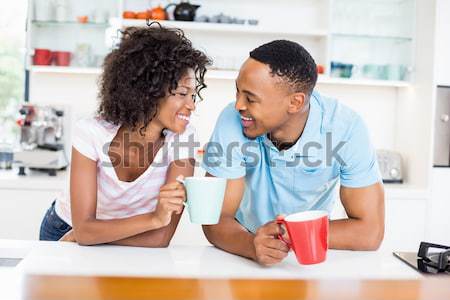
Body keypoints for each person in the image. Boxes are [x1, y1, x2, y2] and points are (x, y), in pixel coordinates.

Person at [201, 40, 385, 266]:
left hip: (313, 250)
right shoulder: (233, 119)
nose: (238, 104)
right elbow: (214, 218)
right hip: (242, 245)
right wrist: (251, 245)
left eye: (250, 98)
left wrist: (290, 232)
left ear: (295, 102)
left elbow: (370, 232)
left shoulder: (345, 129)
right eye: (237, 92)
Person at [39, 23, 211, 247]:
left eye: (192, 95)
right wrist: (153, 219)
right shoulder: (91, 132)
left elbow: (160, 238)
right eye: (181, 94)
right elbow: (83, 229)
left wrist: (90, 236)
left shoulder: (183, 138)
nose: (191, 105)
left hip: (124, 235)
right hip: (64, 231)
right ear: (147, 92)